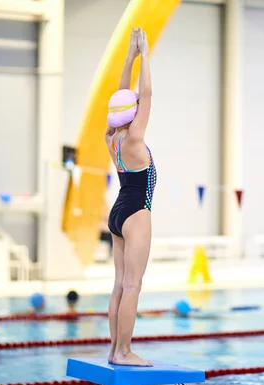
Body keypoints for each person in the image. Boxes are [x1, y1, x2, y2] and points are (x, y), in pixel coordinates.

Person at [105, 27, 156, 367]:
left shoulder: (112, 137)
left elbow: (124, 95)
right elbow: (146, 95)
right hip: (137, 212)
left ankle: (113, 349)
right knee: (133, 285)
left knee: (119, 285)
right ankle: (123, 352)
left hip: (118, 211)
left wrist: (129, 58)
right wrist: (146, 57)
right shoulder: (134, 140)